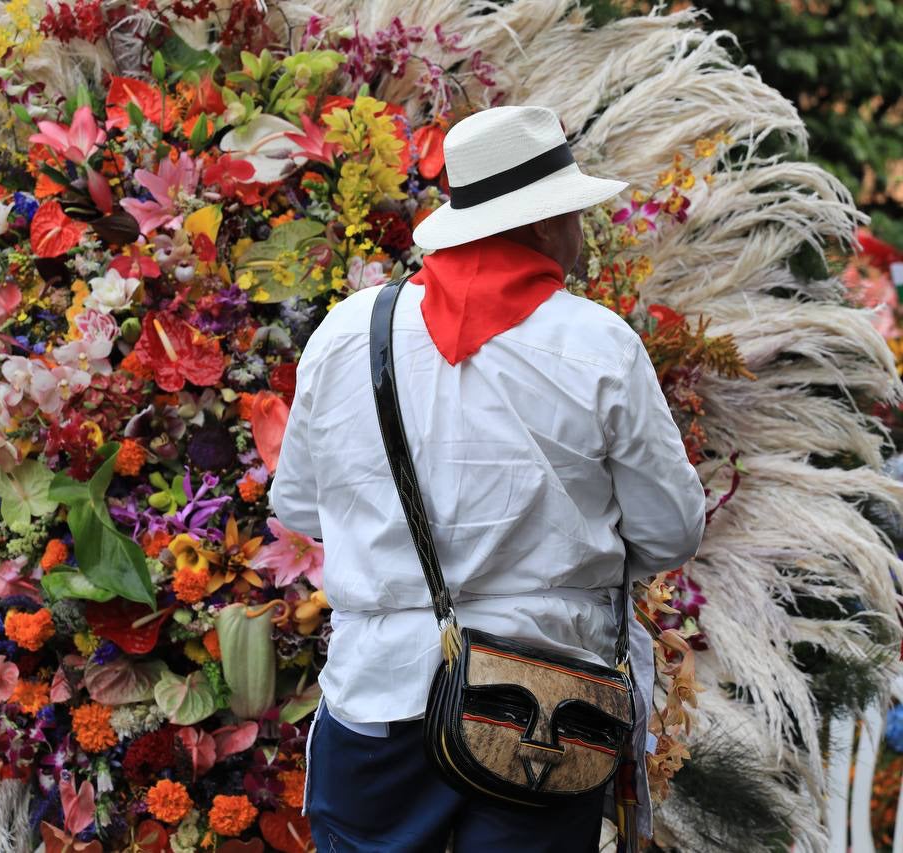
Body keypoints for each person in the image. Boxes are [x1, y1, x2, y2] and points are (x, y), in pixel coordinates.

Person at [271, 105, 706, 852]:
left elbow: (302, 507)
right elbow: (670, 532)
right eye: (573, 214)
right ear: (541, 225)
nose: (581, 233)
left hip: (377, 697)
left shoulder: (348, 333)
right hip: (542, 712)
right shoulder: (600, 346)